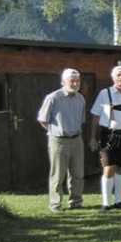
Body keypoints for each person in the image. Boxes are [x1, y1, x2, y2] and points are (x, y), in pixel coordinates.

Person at [90, 65, 121, 212]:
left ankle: (118, 200)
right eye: (118, 75)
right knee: (109, 167)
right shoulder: (104, 94)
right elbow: (95, 116)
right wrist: (93, 137)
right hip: (108, 134)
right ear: (113, 77)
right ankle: (106, 203)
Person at [37, 68, 86, 212]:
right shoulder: (53, 97)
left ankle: (76, 202)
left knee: (78, 174)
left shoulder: (81, 98)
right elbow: (42, 119)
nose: (75, 83)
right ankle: (55, 204)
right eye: (72, 80)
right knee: (58, 175)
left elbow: (80, 121)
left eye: (77, 80)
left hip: (77, 139)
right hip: (58, 141)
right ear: (63, 82)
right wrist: (53, 132)